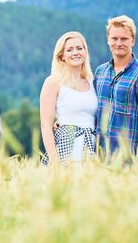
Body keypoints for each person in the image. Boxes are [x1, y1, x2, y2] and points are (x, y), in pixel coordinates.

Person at [94, 15, 138, 158]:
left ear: (132, 40)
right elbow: (91, 110)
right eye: (114, 38)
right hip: (101, 161)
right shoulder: (100, 73)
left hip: (132, 162)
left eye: (124, 39)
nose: (119, 43)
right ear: (108, 40)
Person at [39, 31, 98, 164]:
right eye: (69, 50)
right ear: (62, 56)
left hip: (91, 146)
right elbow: (46, 125)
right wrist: (54, 161)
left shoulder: (92, 82)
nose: (75, 52)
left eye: (79, 48)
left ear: (85, 52)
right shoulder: (53, 82)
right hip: (66, 145)